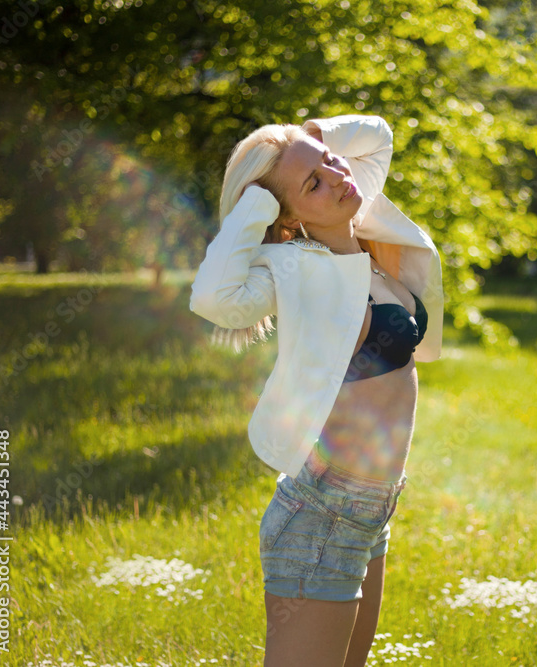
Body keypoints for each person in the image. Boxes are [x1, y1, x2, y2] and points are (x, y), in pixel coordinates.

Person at [188, 114, 443, 667]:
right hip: (322, 513)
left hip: (372, 508)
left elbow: (377, 135)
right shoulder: (290, 264)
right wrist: (258, 203)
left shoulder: (366, 230)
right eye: (313, 184)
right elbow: (213, 298)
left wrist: (310, 137)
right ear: (288, 214)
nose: (335, 176)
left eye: (329, 164)